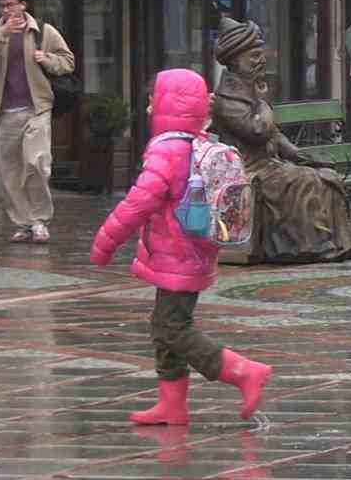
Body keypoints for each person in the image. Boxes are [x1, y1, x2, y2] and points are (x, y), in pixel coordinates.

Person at [91, 69, 272, 425]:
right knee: (165, 326)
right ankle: (171, 404)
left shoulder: (168, 150)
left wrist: (105, 241)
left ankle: (242, 371)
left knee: (171, 327)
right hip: (192, 252)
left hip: (178, 254)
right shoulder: (195, 142)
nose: (148, 107)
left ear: (166, 105)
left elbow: (139, 202)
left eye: (152, 100)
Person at [210, 17, 351, 263]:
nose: (261, 60)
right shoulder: (227, 101)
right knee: (303, 180)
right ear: (235, 61)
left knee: (327, 177)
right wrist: (265, 103)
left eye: (261, 54)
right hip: (248, 170)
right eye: (254, 56)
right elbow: (257, 130)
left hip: (272, 166)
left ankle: (347, 243)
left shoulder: (252, 91)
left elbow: (274, 134)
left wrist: (297, 154)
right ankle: (313, 246)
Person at [0, 0, 74, 244]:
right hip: (5, 112)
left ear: (23, 5)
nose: (6, 10)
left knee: (36, 163)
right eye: (3, 6)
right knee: (9, 173)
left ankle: (40, 220)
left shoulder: (43, 31)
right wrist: (1, 35)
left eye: (11, 4)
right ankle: (24, 223)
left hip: (37, 109)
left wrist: (47, 58)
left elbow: (68, 62)